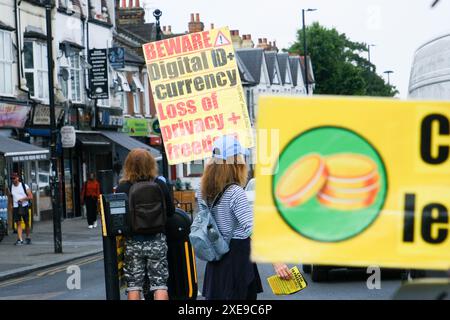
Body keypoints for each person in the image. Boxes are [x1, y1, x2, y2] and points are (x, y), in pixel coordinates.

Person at [115, 148, 174, 300]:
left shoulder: (123, 188)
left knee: (134, 285)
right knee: (160, 284)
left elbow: (118, 218)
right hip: (157, 241)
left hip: (133, 242)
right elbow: (171, 212)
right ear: (151, 164)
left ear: (128, 165)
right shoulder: (160, 185)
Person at [9, 173, 33, 245]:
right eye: (11, 179)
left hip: (24, 206)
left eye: (14, 178)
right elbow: (10, 198)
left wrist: (23, 199)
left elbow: (31, 196)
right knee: (18, 223)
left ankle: (28, 237)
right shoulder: (10, 187)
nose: (13, 180)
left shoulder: (24, 186)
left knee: (26, 223)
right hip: (16, 208)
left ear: (18, 178)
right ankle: (20, 239)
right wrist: (11, 206)